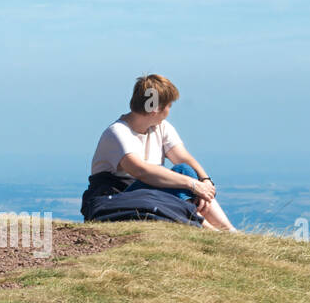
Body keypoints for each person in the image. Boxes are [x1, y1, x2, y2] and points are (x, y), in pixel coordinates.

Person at [89, 74, 236, 231]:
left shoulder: (161, 127)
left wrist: (205, 181)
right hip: (117, 200)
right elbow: (141, 171)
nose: (169, 111)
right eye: (169, 105)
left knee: (185, 170)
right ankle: (210, 229)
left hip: (147, 195)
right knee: (183, 176)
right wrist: (192, 184)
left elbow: (182, 157)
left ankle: (228, 230)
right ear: (155, 108)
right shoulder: (117, 132)